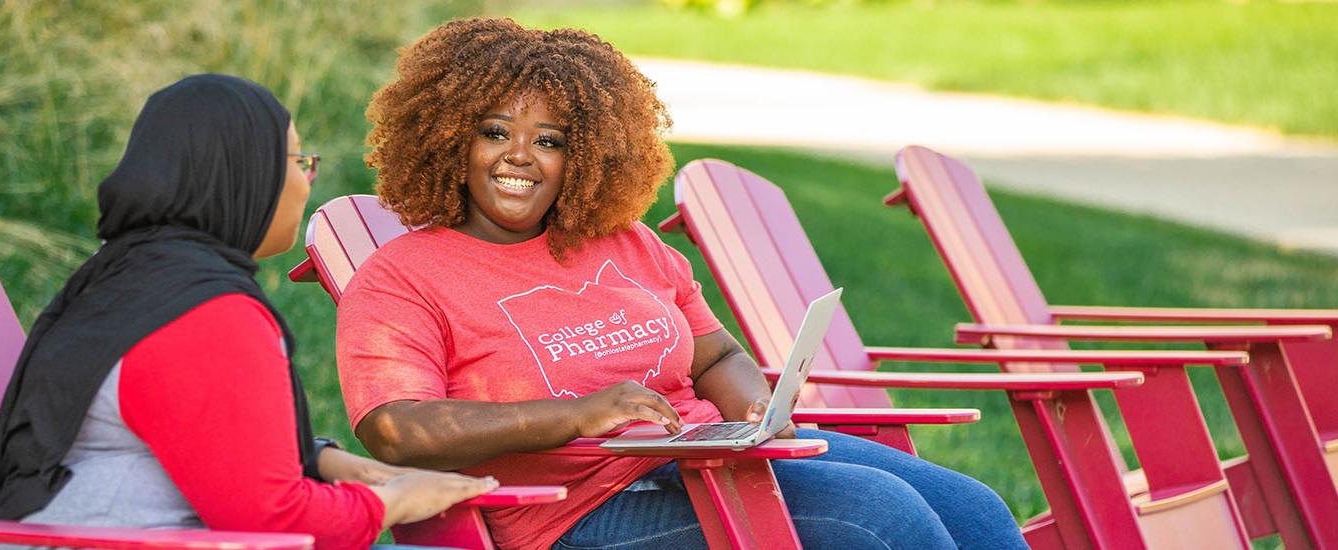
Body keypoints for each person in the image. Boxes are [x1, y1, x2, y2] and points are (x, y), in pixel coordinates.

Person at [337, 19, 1029, 550]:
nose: (521, 156)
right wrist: (575, 415)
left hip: (707, 457)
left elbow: (718, 356)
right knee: (885, 518)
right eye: (495, 131)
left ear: (582, 154)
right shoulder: (402, 277)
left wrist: (757, 413)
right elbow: (396, 430)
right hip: (572, 506)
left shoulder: (626, 241)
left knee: (977, 508)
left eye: (550, 139)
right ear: (450, 139)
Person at [0, 74, 496, 550]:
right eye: (299, 162)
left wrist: (326, 461)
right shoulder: (202, 311)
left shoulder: (128, 278)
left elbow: (194, 431)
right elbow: (276, 521)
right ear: (247, 174)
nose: (308, 180)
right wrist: (400, 498)